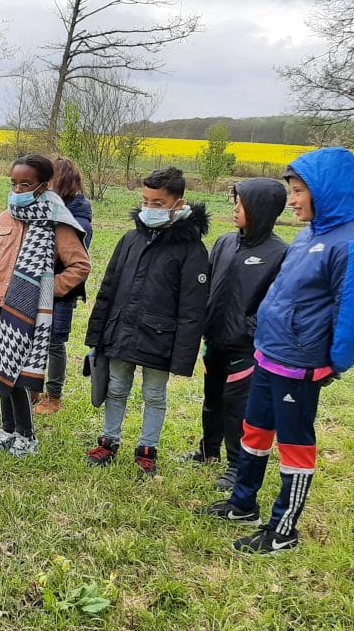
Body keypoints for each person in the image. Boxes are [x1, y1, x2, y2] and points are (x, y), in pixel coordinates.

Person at [203, 147, 354, 554]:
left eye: (299, 190)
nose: (292, 199)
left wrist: (333, 361)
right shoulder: (309, 235)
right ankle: (242, 504)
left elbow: (350, 309)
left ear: (327, 190)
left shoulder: (347, 244)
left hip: (301, 366)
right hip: (268, 355)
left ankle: (283, 530)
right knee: (254, 433)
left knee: (295, 445)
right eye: (291, 190)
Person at [85, 166, 210, 477]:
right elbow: (109, 287)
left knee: (154, 394)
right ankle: (109, 440)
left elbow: (193, 308)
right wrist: (97, 333)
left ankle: (147, 447)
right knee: (115, 387)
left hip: (160, 338)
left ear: (178, 205)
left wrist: (183, 357)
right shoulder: (130, 239)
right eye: (145, 201)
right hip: (120, 330)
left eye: (158, 203)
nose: (149, 209)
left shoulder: (191, 248)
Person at [0, 155, 91, 456]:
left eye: (26, 184)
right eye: (14, 183)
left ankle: (25, 435)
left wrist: (46, 289)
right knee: (3, 367)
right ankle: (6, 429)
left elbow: (80, 266)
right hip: (3, 303)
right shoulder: (6, 216)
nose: (18, 189)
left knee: (18, 374)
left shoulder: (55, 220)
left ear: (43, 185)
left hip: (30, 308)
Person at [186, 178, 288, 492]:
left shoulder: (280, 253)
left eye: (241, 204)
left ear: (260, 209)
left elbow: (278, 301)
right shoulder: (225, 242)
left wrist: (250, 331)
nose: (235, 209)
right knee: (212, 398)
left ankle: (235, 465)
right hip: (214, 338)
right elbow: (208, 285)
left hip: (246, 347)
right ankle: (208, 449)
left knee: (237, 407)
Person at [35, 157, 93, 415]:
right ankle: (33, 389)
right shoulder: (45, 207)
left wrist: (54, 285)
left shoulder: (77, 217)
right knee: (35, 339)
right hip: (37, 285)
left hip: (61, 290)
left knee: (55, 343)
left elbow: (73, 260)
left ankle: (54, 396)